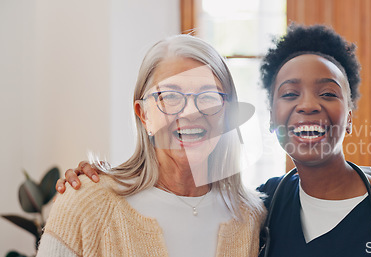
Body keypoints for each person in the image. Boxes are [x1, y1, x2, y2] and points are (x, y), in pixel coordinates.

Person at [59, 25, 371, 256]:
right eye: (289, 94)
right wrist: (98, 181)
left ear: (350, 115)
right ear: (271, 118)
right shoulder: (266, 205)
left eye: (328, 93)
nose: (308, 106)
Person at [37, 34, 265, 257]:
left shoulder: (251, 216)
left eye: (208, 96)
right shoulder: (85, 203)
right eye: (170, 96)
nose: (190, 112)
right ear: (144, 114)